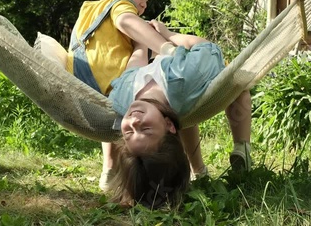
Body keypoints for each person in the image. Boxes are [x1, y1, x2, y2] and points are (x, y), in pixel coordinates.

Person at [66, 0, 213, 192]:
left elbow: (134, 53)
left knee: (125, 114)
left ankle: (109, 170)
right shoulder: (118, 3)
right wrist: (166, 47)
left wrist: (142, 46)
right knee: (177, 106)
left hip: (92, 92)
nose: (143, 6)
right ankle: (198, 169)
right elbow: (127, 20)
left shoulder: (87, 15)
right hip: (119, 85)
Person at [107, 21, 252, 207]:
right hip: (181, 72)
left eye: (128, 133)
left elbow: (132, 68)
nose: (134, 121)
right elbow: (208, 49)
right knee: (238, 84)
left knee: (193, 116)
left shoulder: (120, 98)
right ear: (169, 125)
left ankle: (200, 170)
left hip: (158, 62)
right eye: (145, 128)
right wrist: (169, 35)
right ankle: (242, 145)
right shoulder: (185, 75)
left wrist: (142, 41)